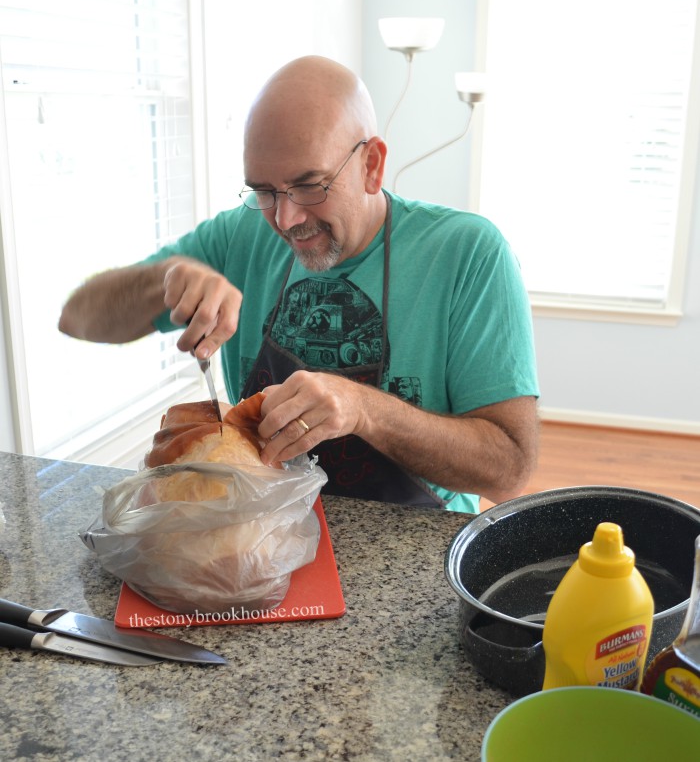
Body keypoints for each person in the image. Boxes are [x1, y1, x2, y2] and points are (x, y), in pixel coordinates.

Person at [59, 55, 539, 513]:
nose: (286, 219)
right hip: (261, 530)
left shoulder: (467, 253)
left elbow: (510, 468)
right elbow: (78, 317)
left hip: (412, 544)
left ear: (372, 165)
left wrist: (363, 409)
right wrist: (161, 283)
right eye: (264, 191)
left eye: (311, 185)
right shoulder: (239, 235)